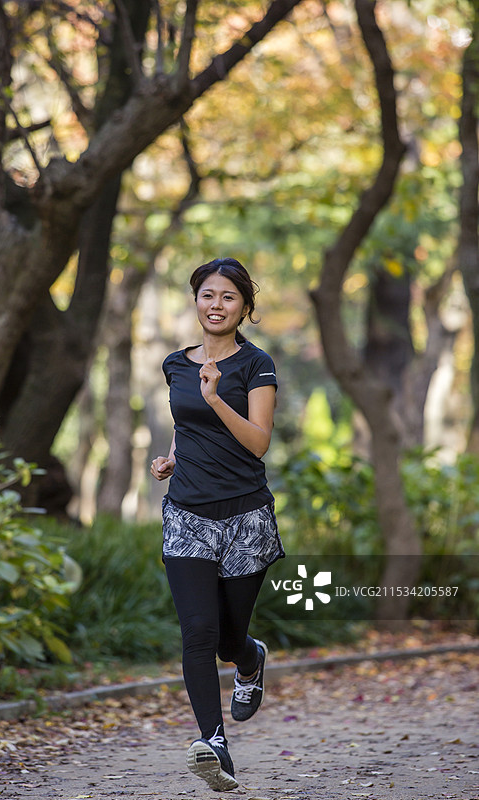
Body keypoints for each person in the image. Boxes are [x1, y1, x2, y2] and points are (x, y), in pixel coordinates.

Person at [150, 257, 284, 792]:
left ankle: (250, 662)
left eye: (228, 297)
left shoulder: (257, 365)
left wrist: (214, 396)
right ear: (196, 300)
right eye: (208, 294)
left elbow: (258, 441)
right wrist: (171, 459)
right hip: (187, 515)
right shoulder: (174, 364)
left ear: (244, 308)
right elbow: (188, 428)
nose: (216, 304)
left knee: (229, 639)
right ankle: (215, 743)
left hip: (244, 517)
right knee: (199, 633)